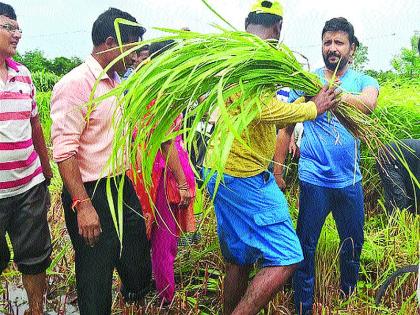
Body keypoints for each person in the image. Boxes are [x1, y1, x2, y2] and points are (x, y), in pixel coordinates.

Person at [202, 1, 340, 314]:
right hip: (243, 175)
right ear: (278, 27)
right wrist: (312, 108)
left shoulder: (242, 50)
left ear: (249, 20)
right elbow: (261, 110)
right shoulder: (251, 57)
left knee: (240, 257)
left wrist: (304, 94)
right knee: (288, 255)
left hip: (220, 170)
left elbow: (264, 113)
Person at [274, 17, 380, 315]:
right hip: (313, 178)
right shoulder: (305, 82)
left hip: (349, 182)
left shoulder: (363, 81)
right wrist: (278, 171)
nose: (332, 48)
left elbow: (368, 104)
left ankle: (348, 299)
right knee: (305, 246)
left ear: (352, 49)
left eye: (339, 43)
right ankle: (302, 306)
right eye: (327, 42)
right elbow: (286, 126)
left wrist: (332, 94)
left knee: (353, 244)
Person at [51, 8, 151, 315]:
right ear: (109, 43)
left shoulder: (118, 81)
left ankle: (132, 293)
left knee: (138, 268)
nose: (135, 56)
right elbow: (65, 151)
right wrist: (83, 205)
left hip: (121, 187)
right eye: (131, 48)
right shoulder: (75, 85)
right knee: (95, 278)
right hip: (91, 193)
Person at [127, 40, 196, 303]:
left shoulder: (149, 87)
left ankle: (148, 287)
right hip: (163, 173)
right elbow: (166, 141)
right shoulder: (161, 92)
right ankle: (166, 297)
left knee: (159, 236)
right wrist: (181, 182)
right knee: (164, 240)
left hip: (151, 169)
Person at [0, 3, 53, 315]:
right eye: (9, 27)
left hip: (28, 187)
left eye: (18, 28)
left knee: (34, 257)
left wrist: (45, 171)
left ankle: (36, 310)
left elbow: (34, 125)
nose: (17, 33)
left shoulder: (24, 75)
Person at [377, 139, 419, 214]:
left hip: (407, 163)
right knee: (399, 200)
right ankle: (395, 224)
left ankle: (410, 220)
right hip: (389, 158)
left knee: (412, 201)